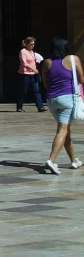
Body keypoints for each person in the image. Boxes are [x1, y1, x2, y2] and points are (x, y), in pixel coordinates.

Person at [39, 37, 83, 175]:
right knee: (62, 130)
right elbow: (82, 79)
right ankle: (51, 160)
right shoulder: (73, 59)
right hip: (68, 99)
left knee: (65, 129)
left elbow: (45, 82)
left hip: (52, 100)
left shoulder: (47, 62)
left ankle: (74, 160)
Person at [16, 36, 45, 113]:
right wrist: (33, 68)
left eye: (33, 44)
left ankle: (40, 106)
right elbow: (24, 63)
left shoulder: (32, 52)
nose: (33, 46)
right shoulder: (23, 51)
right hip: (25, 73)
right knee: (23, 90)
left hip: (33, 74)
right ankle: (19, 106)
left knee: (36, 90)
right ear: (26, 44)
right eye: (31, 44)